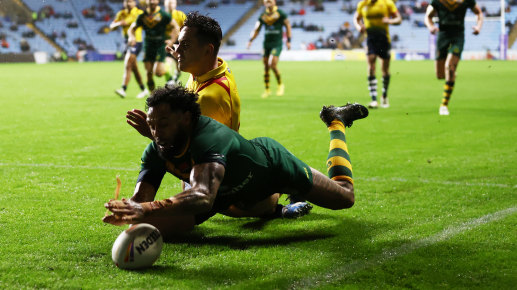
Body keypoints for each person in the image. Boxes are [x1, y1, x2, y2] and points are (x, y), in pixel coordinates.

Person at [103, 85, 369, 240]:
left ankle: (336, 121)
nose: (155, 131)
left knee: (345, 197)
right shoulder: (156, 150)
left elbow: (203, 197)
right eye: (151, 124)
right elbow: (141, 200)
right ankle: (274, 207)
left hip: (272, 167)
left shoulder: (209, 138)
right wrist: (129, 210)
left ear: (185, 118)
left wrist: (147, 209)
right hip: (229, 193)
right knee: (147, 229)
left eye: (162, 123)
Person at [425, 0, 483, 116]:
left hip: (458, 36)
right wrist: (430, 26)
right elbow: (428, 16)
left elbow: (479, 13)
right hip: (443, 35)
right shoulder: (437, 1)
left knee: (450, 67)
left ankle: (444, 105)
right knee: (440, 75)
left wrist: (478, 27)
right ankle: (451, 75)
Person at [354, 0, 401, 109]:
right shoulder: (363, 4)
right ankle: (374, 99)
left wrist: (389, 21)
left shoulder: (387, 3)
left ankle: (384, 95)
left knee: (385, 69)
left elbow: (399, 19)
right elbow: (356, 18)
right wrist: (359, 27)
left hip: (384, 39)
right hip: (370, 39)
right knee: (371, 67)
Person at [127, 0, 180, 99]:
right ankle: (153, 98)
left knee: (158, 73)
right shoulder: (142, 16)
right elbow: (131, 29)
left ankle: (169, 67)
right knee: (149, 73)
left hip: (160, 45)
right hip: (148, 46)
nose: (152, 1)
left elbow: (176, 27)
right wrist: (131, 37)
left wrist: (172, 41)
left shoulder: (163, 15)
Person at [247, 0, 292, 98]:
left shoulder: (280, 14)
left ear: (274, 2)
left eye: (270, 0)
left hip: (277, 43)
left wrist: (288, 40)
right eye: (266, 1)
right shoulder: (263, 15)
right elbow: (257, 29)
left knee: (272, 64)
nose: (268, 2)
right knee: (266, 66)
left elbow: (288, 26)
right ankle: (267, 90)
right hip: (266, 44)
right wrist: (250, 40)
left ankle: (280, 85)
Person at [110, 0, 147, 99]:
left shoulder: (139, 13)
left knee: (127, 64)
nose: (128, 3)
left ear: (135, 3)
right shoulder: (121, 13)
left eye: (130, 1)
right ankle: (144, 89)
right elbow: (111, 26)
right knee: (134, 68)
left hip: (136, 41)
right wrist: (119, 24)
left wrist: (122, 23)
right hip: (126, 42)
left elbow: (130, 23)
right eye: (126, 1)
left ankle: (123, 89)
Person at [164, 0, 186, 86]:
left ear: (175, 4)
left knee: (179, 64)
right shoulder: (161, 15)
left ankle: (175, 77)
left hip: (178, 43)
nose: (170, 5)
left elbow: (185, 28)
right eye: (168, 3)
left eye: (172, 3)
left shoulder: (180, 15)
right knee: (165, 63)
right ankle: (170, 81)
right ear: (165, 4)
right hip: (166, 42)